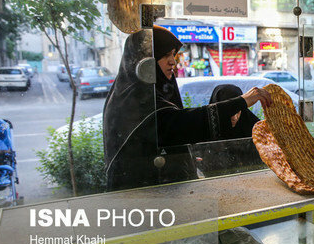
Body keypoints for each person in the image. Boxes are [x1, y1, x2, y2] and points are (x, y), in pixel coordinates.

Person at [103, 26, 271, 191]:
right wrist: (241, 101)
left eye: (173, 55)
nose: (173, 61)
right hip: (139, 198)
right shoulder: (135, 100)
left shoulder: (150, 94)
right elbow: (181, 124)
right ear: (145, 62)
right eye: (165, 55)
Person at [194, 85, 264, 176]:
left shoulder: (254, 127)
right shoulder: (205, 130)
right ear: (218, 111)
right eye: (229, 113)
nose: (234, 118)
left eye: (238, 111)